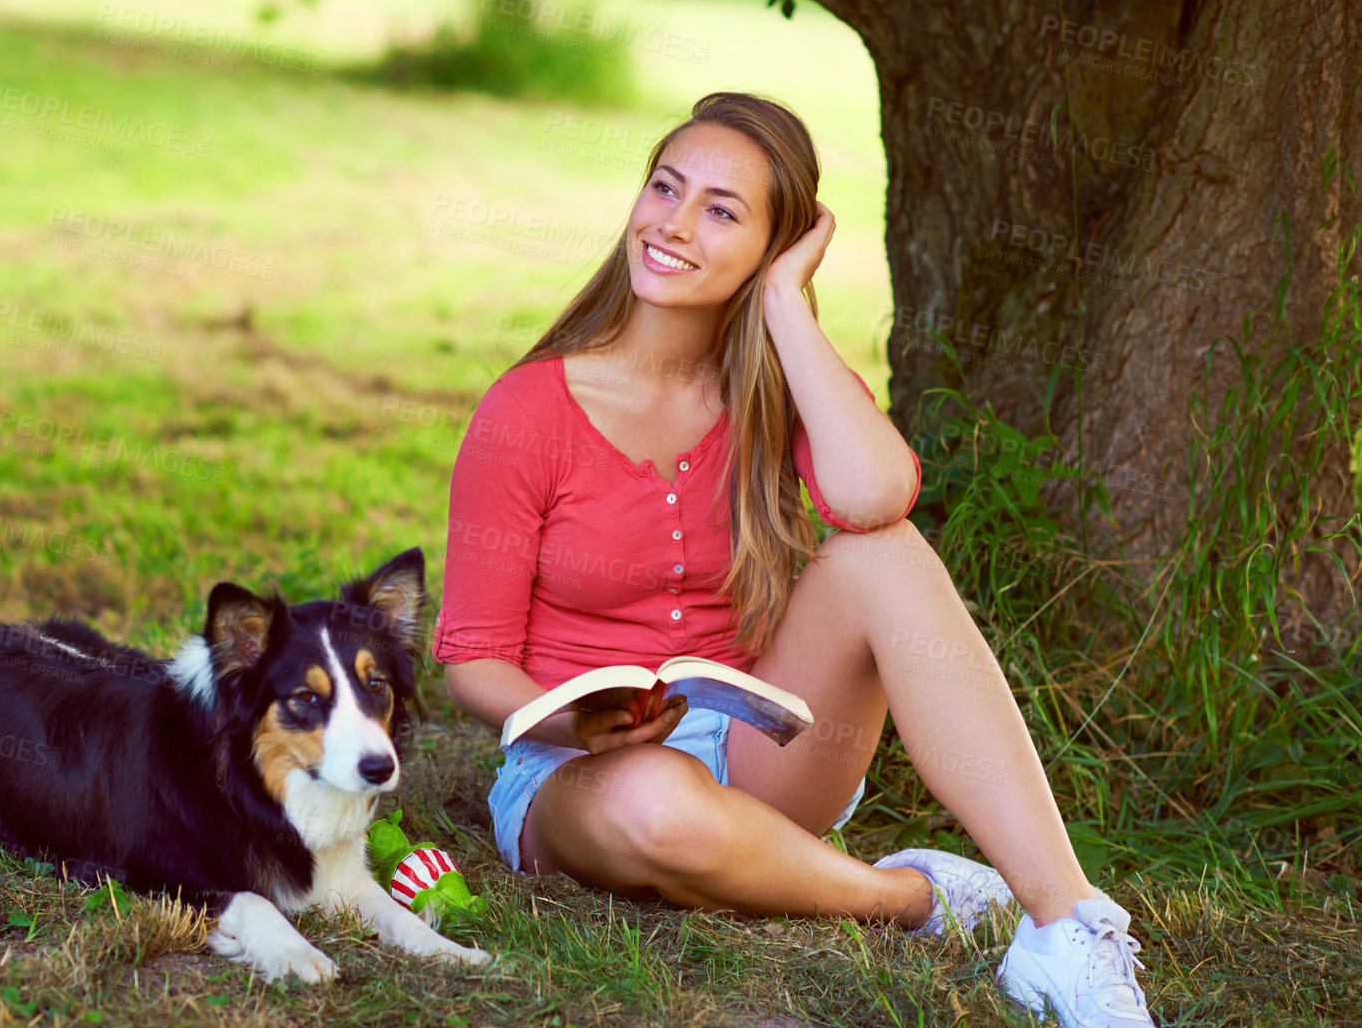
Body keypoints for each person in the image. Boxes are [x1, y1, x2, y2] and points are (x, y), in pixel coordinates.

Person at [432, 92, 1155, 1027]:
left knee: (882, 557)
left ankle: (1067, 923)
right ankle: (909, 896)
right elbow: (471, 657)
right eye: (665, 187)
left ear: (772, 248)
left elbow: (875, 499)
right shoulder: (527, 410)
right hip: (580, 777)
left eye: (721, 211)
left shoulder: (772, 381)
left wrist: (782, 307)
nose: (674, 224)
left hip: (759, 750)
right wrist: (573, 725)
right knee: (656, 802)